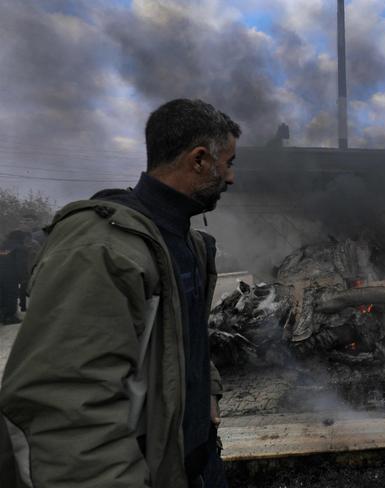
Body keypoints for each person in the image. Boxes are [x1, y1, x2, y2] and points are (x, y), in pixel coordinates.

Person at [0, 99, 240, 488]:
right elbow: (69, 412)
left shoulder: (187, 242)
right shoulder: (102, 249)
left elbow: (182, 337)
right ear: (199, 160)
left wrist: (206, 390)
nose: (231, 178)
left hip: (197, 465)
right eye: (228, 163)